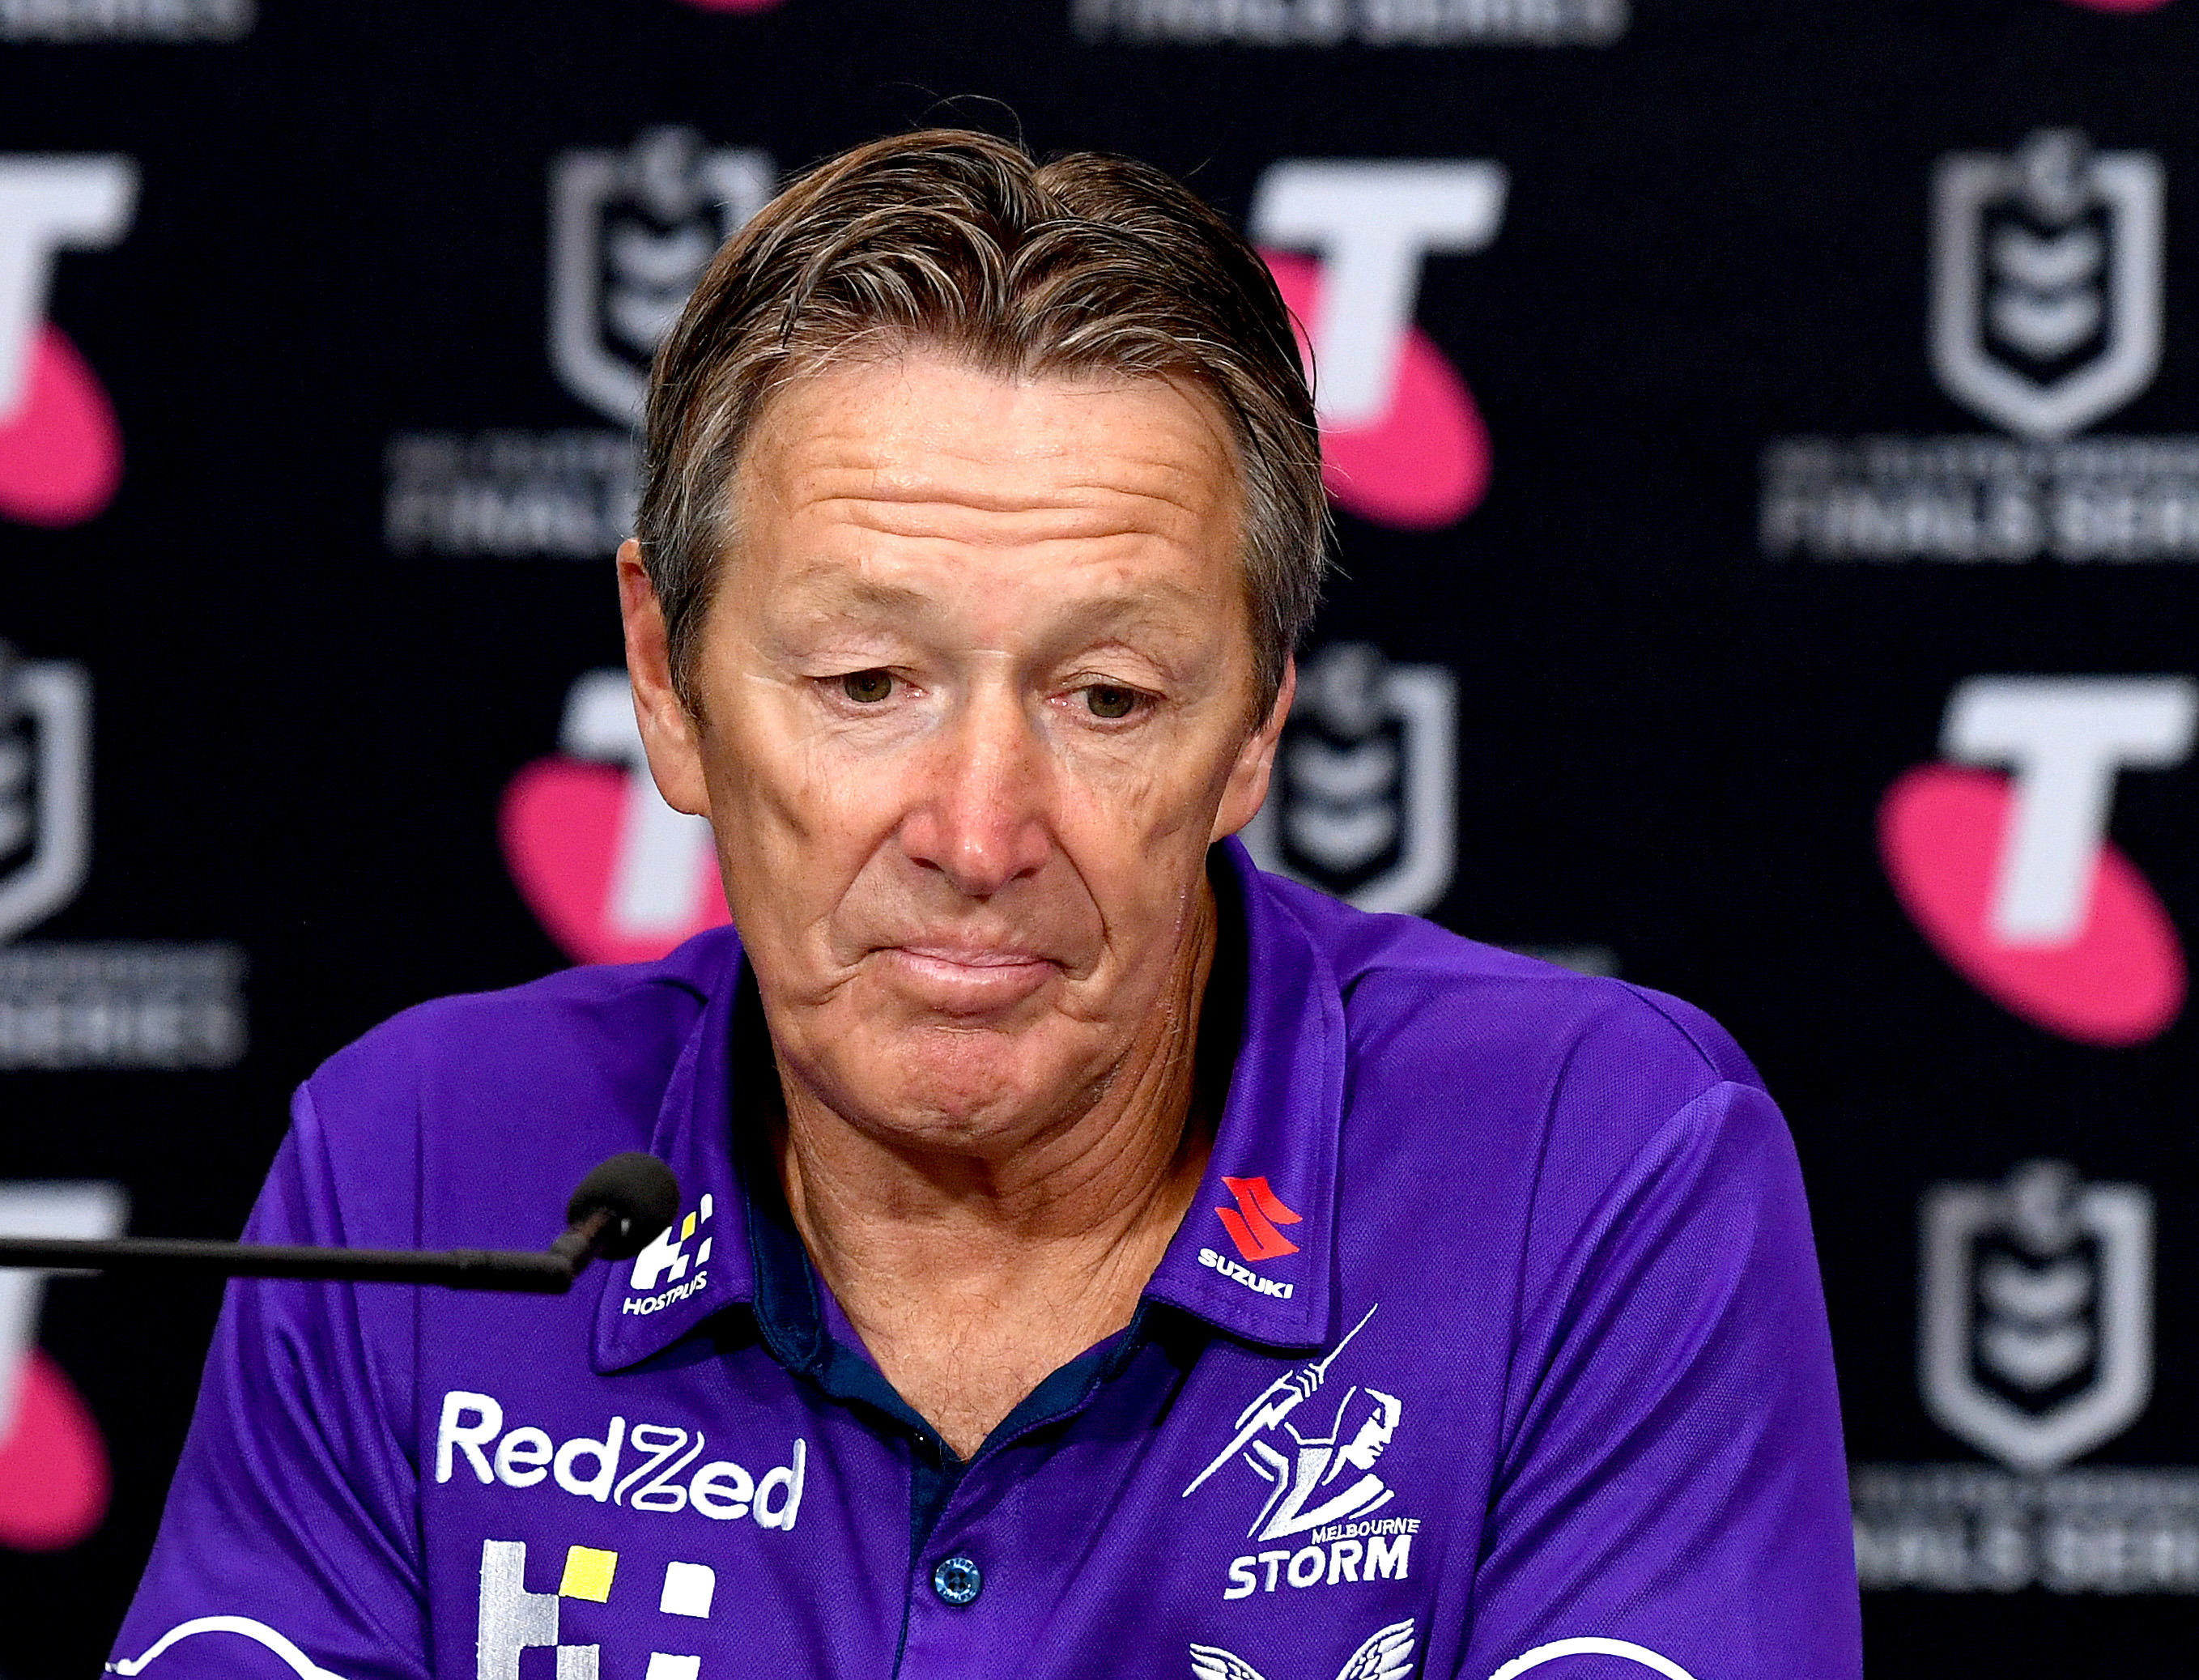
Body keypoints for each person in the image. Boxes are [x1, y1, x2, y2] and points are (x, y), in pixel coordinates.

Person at [110, 130, 1861, 1680]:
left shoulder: (1591, 1164)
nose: (975, 830)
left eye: (1106, 698)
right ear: (664, 675)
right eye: (868, 680)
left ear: (1254, 720)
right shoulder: (418, 1165)